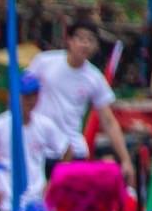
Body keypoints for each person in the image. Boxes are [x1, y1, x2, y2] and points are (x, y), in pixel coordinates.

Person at [29, 22, 131, 178]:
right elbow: (21, 94)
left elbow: (108, 121)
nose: (85, 44)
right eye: (81, 39)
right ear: (69, 40)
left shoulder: (94, 78)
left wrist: (125, 160)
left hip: (73, 150)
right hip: (40, 147)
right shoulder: (44, 62)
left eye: (90, 40)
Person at [0, 74, 85, 211]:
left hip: (36, 201)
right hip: (4, 201)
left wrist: (53, 183)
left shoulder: (44, 125)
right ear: (14, 96)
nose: (31, 100)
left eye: (34, 95)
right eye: (26, 96)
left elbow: (67, 150)